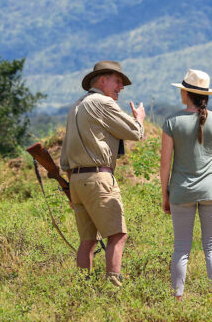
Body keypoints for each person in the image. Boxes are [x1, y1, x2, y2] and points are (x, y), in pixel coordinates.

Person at [60, 60, 145, 287]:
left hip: (76, 181)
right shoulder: (103, 102)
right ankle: (113, 287)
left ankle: (82, 288)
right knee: (118, 234)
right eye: (118, 81)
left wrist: (70, 185)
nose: (121, 87)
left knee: (87, 241)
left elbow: (65, 158)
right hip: (99, 178)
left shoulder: (76, 106)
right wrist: (139, 119)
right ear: (102, 80)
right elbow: (134, 132)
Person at [160, 69, 212, 311]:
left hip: (181, 191)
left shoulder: (172, 122)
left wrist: (165, 194)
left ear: (185, 94)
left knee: (181, 248)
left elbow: (165, 164)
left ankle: (177, 301)